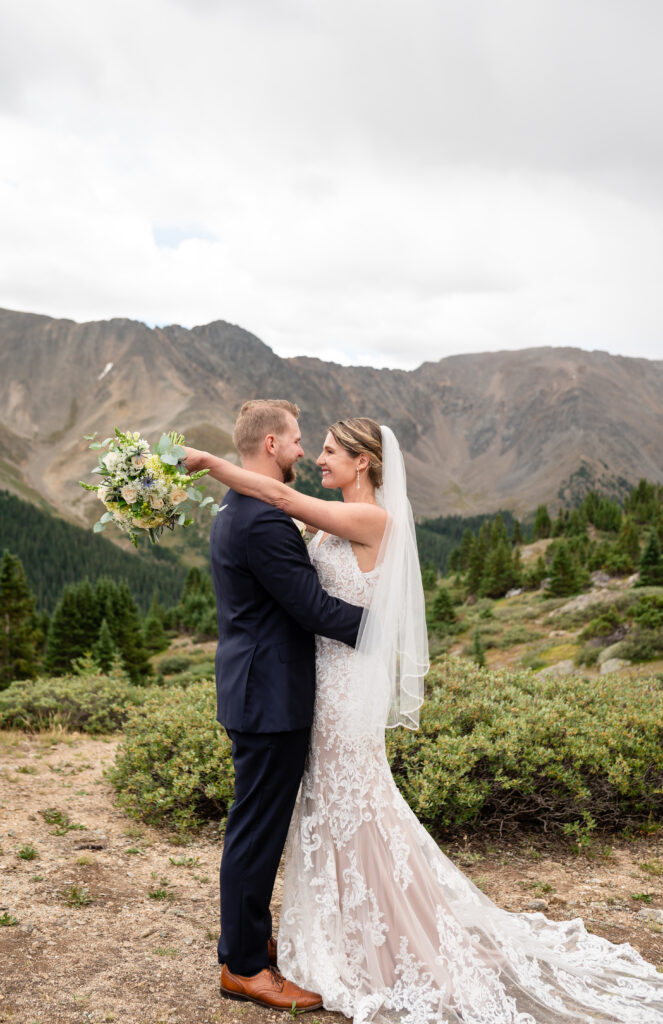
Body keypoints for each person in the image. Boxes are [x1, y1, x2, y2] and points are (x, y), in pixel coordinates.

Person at [186, 416, 663, 1023]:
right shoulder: (329, 517)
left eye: (330, 450)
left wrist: (207, 464)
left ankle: (368, 942)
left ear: (364, 462)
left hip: (341, 686)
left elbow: (279, 496)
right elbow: (283, 529)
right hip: (319, 685)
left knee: (357, 809)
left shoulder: (370, 518)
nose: (317, 456)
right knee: (330, 813)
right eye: (313, 445)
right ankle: (310, 942)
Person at [200, 399, 364, 1012]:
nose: (303, 451)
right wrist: (385, 628)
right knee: (255, 834)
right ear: (270, 444)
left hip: (255, 686)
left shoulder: (237, 506)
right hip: (269, 696)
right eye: (296, 440)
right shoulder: (264, 520)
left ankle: (247, 944)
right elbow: (313, 609)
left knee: (256, 827)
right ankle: (243, 967)